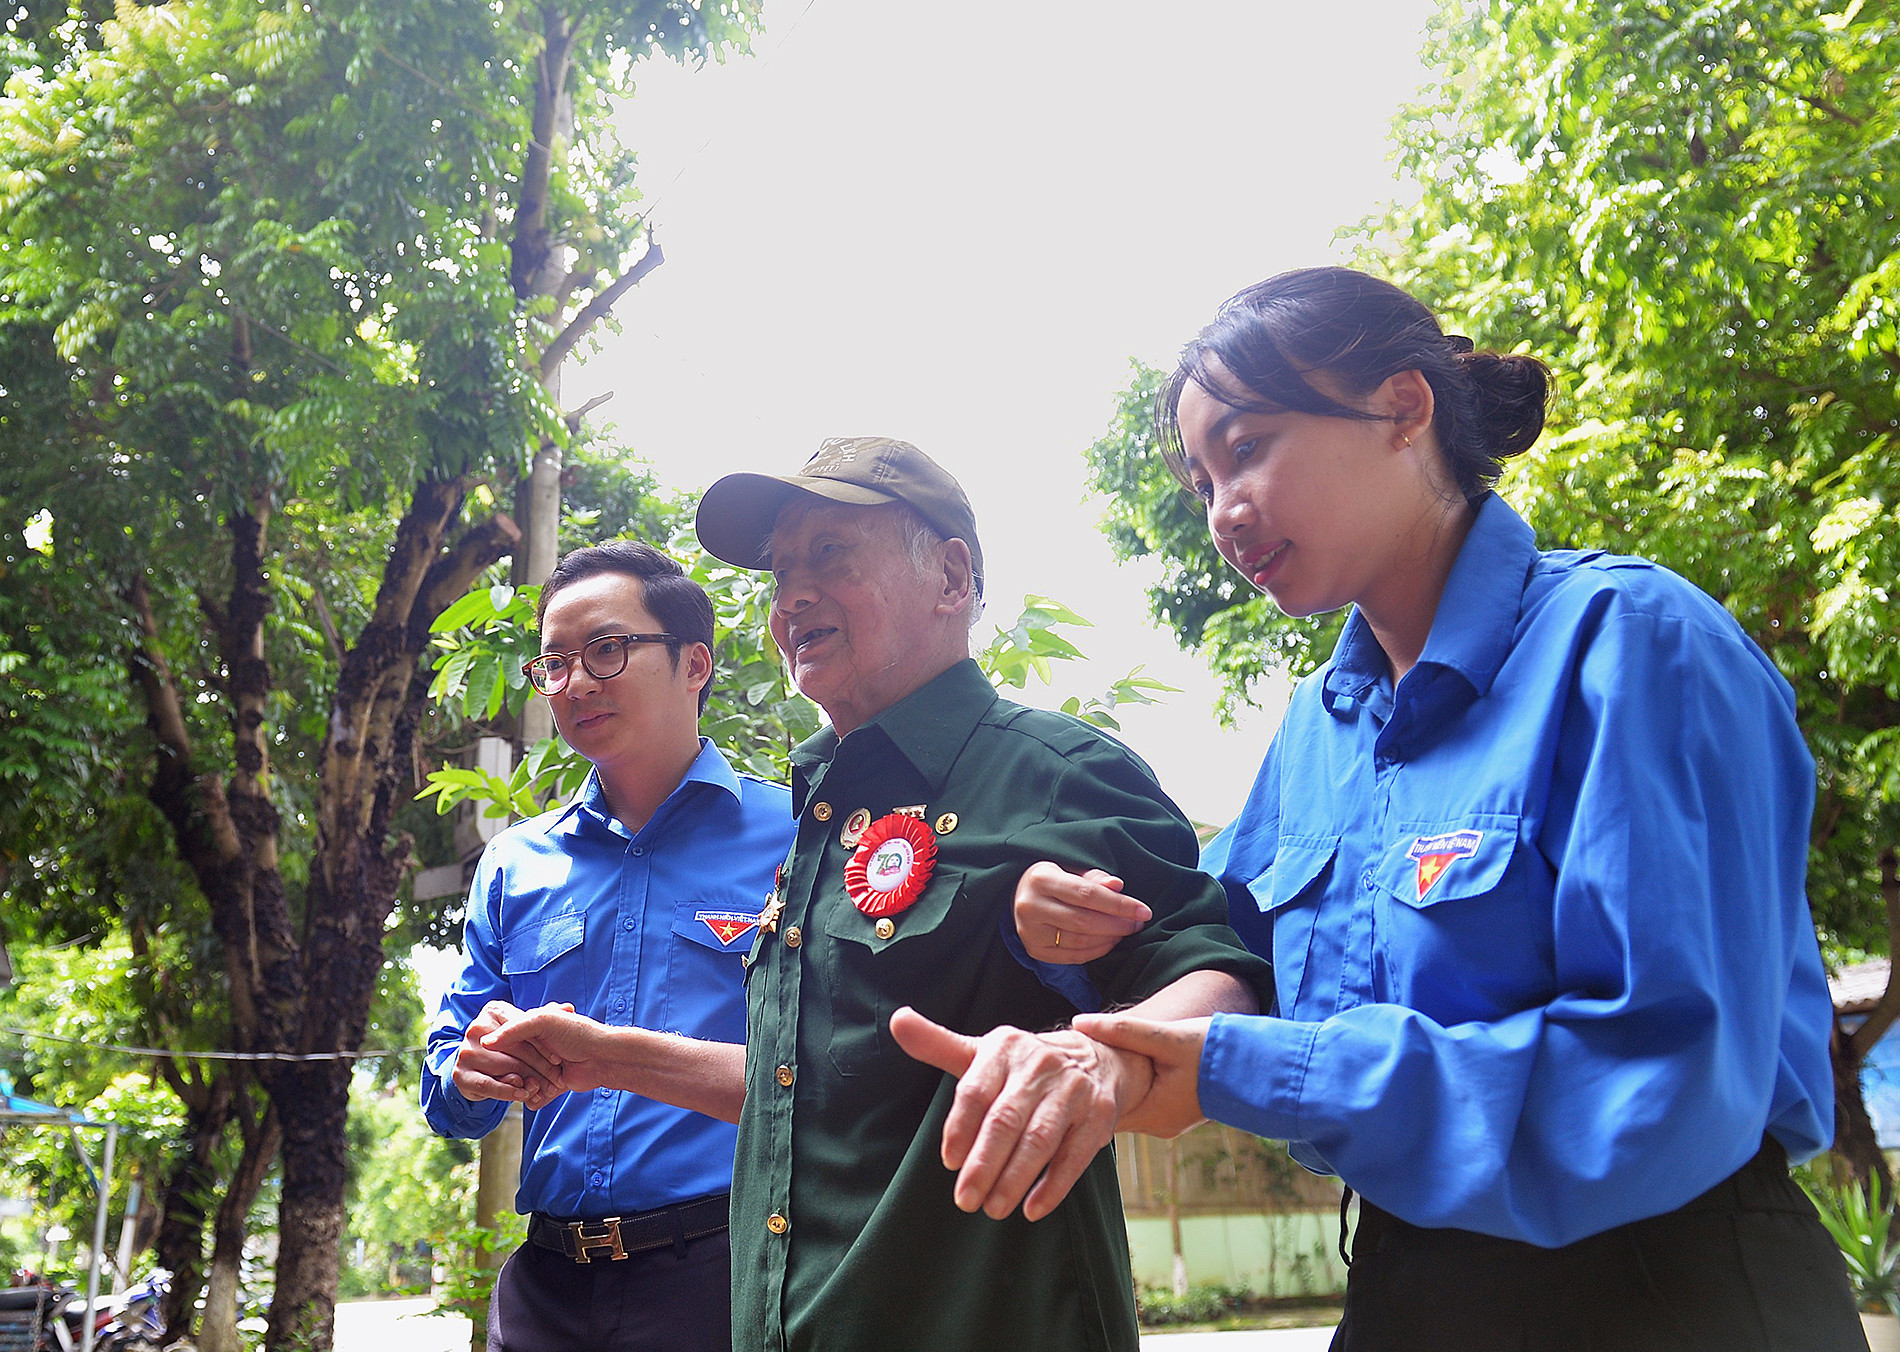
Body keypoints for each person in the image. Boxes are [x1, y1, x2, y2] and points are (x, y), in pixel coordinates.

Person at [1013, 266, 1864, 1351]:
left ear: (1402, 408)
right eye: (1201, 479)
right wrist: (1083, 942)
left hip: (1664, 1283)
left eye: (1248, 445)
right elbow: (1229, 952)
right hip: (1405, 1281)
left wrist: (1260, 1065)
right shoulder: (1320, 728)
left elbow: (1661, 1076)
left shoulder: (1632, 641)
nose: (1224, 509)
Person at [481, 436, 1272, 1352]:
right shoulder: (819, 815)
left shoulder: (1055, 774)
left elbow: (1223, 978)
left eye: (831, 557)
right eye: (781, 573)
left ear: (949, 576)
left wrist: (1096, 1058)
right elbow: (805, 1092)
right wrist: (602, 1056)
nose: (792, 599)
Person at [421, 541, 793, 1352]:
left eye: (607, 649)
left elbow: (836, 1073)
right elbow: (446, 1078)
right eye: (552, 664)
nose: (575, 682)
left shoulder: (797, 839)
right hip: (546, 1288)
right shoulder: (515, 863)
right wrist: (469, 1071)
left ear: (695, 664)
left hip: (725, 1272)